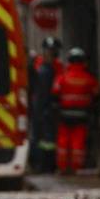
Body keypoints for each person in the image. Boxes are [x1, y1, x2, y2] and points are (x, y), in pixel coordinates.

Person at [52, 47, 99, 175]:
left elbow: (55, 94)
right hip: (82, 115)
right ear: (83, 62)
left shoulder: (62, 78)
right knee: (78, 141)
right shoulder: (89, 79)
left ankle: (62, 167)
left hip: (64, 115)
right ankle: (76, 167)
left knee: (63, 141)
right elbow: (96, 94)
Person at [29, 37, 63, 173]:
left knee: (48, 139)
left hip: (49, 108)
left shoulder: (57, 68)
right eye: (49, 51)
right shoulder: (42, 69)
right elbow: (40, 92)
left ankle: (47, 164)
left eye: (53, 52)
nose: (51, 55)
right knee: (42, 138)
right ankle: (42, 164)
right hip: (42, 108)